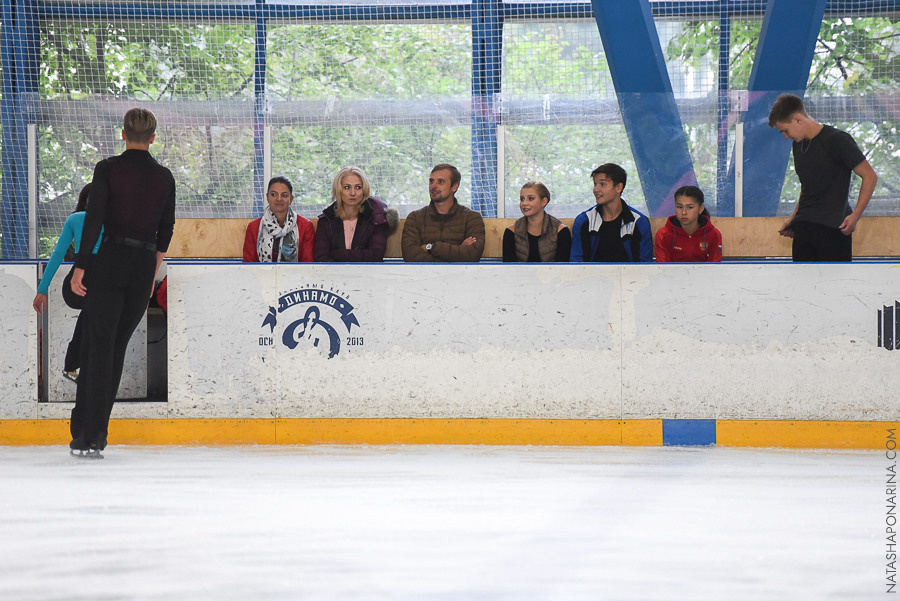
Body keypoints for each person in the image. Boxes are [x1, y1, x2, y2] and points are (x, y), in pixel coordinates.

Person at [69, 107, 176, 457]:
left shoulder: (108, 169)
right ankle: (96, 433)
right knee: (114, 350)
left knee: (98, 347)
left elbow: (94, 219)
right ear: (153, 137)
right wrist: (152, 274)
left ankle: (85, 432)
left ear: (123, 133)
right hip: (142, 266)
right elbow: (166, 230)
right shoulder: (164, 177)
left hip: (110, 261)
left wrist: (81, 265)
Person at [768, 93, 878, 262]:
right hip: (804, 229)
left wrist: (855, 215)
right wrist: (794, 218)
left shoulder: (837, 140)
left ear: (798, 119)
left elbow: (869, 176)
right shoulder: (798, 146)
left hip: (832, 229)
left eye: (785, 131)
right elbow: (807, 186)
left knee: (835, 286)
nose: (786, 136)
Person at [32, 184, 103, 381]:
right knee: (93, 315)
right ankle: (75, 365)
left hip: (84, 283)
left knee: (91, 316)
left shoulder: (77, 219)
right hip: (84, 282)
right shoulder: (81, 220)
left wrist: (42, 289)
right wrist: (42, 289)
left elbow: (56, 256)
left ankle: (73, 366)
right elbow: (56, 256)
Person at [401, 163, 485, 262]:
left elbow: (472, 255)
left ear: (454, 187)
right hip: (422, 276)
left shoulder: (472, 218)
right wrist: (458, 252)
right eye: (431, 181)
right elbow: (410, 256)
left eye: (440, 182)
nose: (433, 186)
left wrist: (431, 247)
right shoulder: (415, 218)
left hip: (462, 276)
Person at [570, 163, 653, 262]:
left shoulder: (639, 222)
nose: (595, 189)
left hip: (630, 277)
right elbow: (576, 262)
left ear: (618, 187)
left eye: (602, 184)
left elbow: (645, 265)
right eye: (595, 184)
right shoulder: (584, 221)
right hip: (590, 277)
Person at [314, 166, 395, 262]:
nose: (353, 193)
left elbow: (375, 255)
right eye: (347, 187)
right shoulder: (326, 220)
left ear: (364, 190)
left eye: (358, 187)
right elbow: (321, 258)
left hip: (369, 274)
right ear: (338, 190)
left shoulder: (377, 217)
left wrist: (338, 254)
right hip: (333, 275)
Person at [243, 176, 315, 262]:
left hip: (296, 274)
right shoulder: (254, 227)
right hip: (261, 274)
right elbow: (248, 263)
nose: (279, 199)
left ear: (291, 199)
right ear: (267, 197)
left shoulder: (305, 226)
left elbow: (308, 263)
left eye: (284, 195)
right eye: (273, 194)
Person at [502, 182, 571, 262]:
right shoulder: (511, 231)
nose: (524, 203)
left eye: (531, 198)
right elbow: (508, 269)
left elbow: (563, 268)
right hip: (519, 274)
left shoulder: (561, 231)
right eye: (522, 199)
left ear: (544, 201)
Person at [654, 185, 723, 262]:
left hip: (704, 274)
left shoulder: (714, 235)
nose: (684, 212)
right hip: (671, 274)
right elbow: (662, 268)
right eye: (679, 207)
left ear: (701, 208)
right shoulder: (663, 234)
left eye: (690, 207)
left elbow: (715, 269)